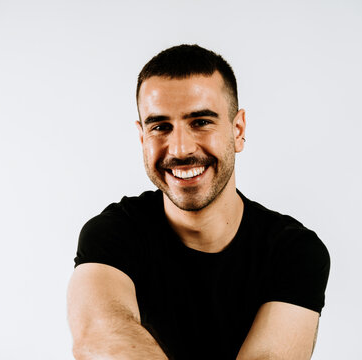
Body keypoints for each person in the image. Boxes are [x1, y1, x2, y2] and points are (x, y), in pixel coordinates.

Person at [67, 44, 330, 360]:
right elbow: (102, 340)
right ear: (142, 138)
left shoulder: (293, 251)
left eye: (201, 121)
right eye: (160, 127)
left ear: (238, 130)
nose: (179, 148)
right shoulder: (113, 234)